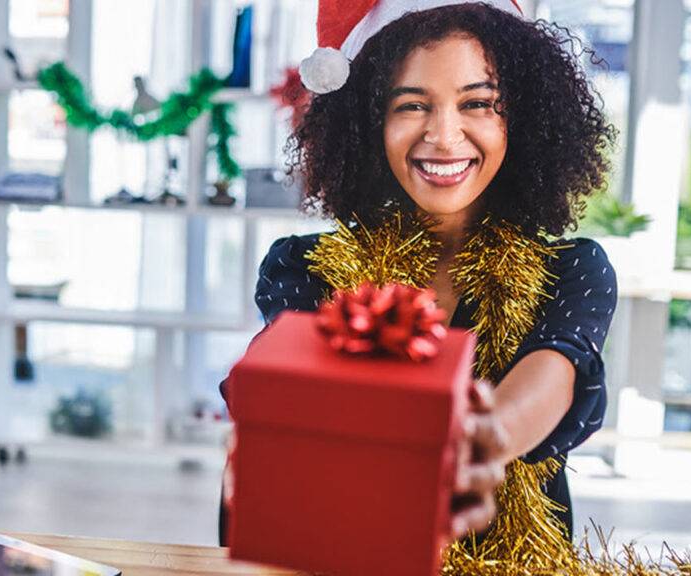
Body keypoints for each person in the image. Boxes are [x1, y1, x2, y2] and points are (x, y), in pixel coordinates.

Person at [221, 0, 617, 560]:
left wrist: (485, 439)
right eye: (412, 105)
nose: (445, 135)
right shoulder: (305, 266)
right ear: (368, 120)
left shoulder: (572, 268)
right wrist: (268, 427)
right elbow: (278, 370)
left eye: (477, 103)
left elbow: (556, 369)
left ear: (523, 117)